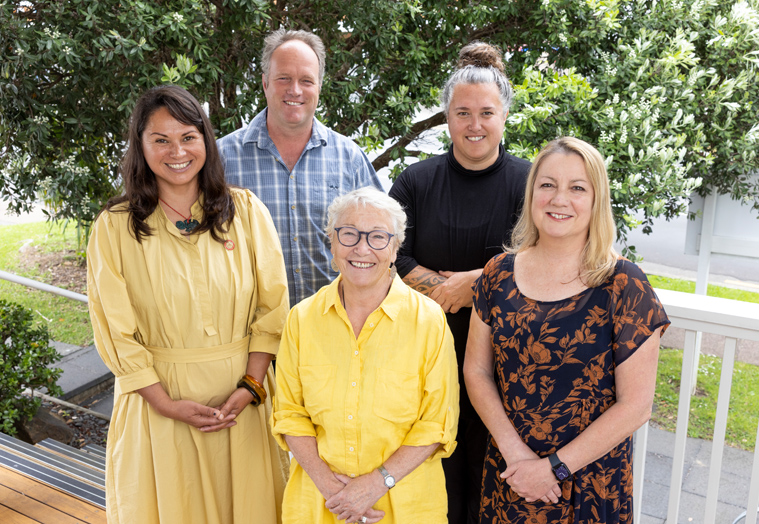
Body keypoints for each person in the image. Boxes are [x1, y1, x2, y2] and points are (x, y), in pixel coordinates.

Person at [87, 85, 290, 524]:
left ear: (206, 140)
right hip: (158, 410)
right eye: (160, 140)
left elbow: (272, 310)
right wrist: (164, 403)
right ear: (140, 147)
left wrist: (251, 386)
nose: (176, 151)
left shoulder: (248, 212)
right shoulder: (114, 228)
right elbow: (115, 331)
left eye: (188, 137)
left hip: (244, 406)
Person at [463, 137, 670, 522]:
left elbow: (636, 405)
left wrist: (553, 468)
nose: (560, 199)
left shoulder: (624, 284)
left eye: (577, 188)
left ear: (596, 200)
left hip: (590, 485)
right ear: (531, 194)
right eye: (547, 185)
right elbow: (476, 372)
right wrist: (519, 457)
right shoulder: (497, 274)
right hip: (513, 476)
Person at [388, 41, 530, 524]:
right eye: (462, 112)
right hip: (426, 355)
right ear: (447, 117)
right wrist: (445, 289)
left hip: (508, 362)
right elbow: (390, 253)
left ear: (504, 114)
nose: (475, 124)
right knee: (434, 476)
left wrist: (481, 281)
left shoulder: (532, 184)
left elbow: (548, 253)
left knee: (493, 476)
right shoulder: (414, 182)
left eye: (486, 112)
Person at [271, 187, 460, 523]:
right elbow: (289, 413)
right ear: (331, 241)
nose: (362, 248)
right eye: (349, 234)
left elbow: (436, 424)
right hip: (320, 504)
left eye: (377, 237)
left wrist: (374, 484)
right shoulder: (301, 319)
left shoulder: (429, 320)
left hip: (405, 504)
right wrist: (333, 489)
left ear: (395, 247)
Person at [218, 28, 384, 307]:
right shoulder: (222, 158)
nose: (294, 90)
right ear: (265, 83)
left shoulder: (350, 159)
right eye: (283, 78)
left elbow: (383, 241)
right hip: (249, 336)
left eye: (306, 80)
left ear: (319, 86)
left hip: (333, 331)